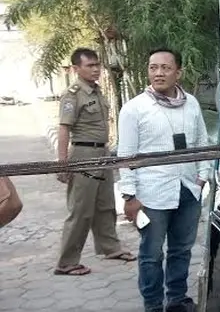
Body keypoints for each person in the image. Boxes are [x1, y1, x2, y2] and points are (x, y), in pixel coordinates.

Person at [117, 48, 212, 312]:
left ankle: (177, 301)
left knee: (181, 251)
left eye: (165, 68)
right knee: (151, 255)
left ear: (178, 72)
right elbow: (125, 156)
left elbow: (202, 143)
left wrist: (203, 176)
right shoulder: (134, 109)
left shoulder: (191, 103)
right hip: (151, 195)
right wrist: (129, 196)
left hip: (188, 189)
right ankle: (153, 306)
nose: (158, 73)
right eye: (153, 67)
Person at [54, 48, 135, 277]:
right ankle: (66, 262)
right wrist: (62, 163)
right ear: (76, 68)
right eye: (90, 65)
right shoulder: (72, 94)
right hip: (83, 156)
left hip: (103, 154)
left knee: (105, 205)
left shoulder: (97, 91)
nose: (96, 69)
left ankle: (111, 248)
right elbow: (64, 128)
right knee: (81, 210)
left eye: (97, 64)